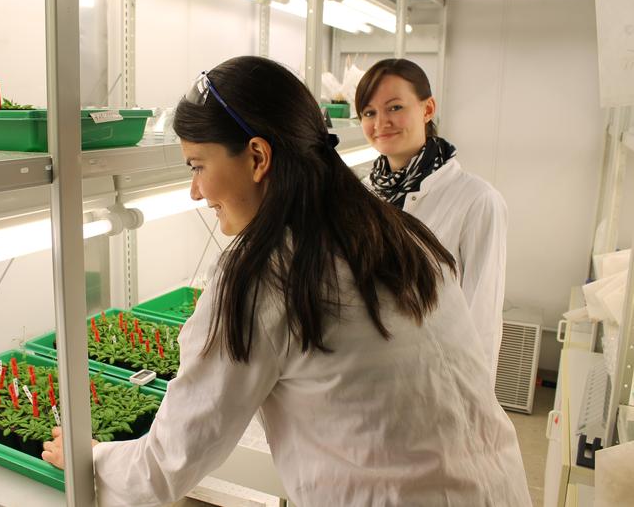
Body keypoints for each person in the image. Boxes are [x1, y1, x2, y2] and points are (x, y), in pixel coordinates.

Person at [42, 55, 530, 507]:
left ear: (258, 157)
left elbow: (166, 466)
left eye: (197, 166)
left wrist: (90, 457)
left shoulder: (266, 273)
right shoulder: (400, 230)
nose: (195, 191)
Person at [356, 59, 508, 382]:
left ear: (427, 110)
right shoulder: (360, 196)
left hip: (435, 382)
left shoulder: (477, 200)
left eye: (394, 107)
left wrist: (477, 407)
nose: (381, 122)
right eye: (369, 113)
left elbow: (483, 319)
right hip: (367, 377)